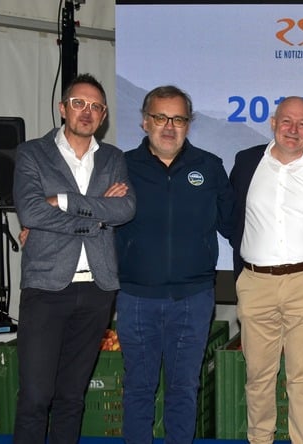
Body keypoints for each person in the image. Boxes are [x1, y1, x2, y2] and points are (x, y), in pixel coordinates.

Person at [12, 73, 136, 444]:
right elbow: (31, 212)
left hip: (98, 288)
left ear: (104, 115)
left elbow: (125, 209)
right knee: (36, 396)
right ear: (63, 108)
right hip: (46, 286)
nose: (87, 112)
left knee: (72, 396)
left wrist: (63, 201)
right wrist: (96, 218)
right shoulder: (32, 153)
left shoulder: (113, 158)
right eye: (79, 103)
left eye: (96, 106)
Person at [115, 85, 234, 443]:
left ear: (188, 124)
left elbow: (235, 225)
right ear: (144, 122)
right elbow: (95, 218)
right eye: (160, 118)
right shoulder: (120, 167)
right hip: (136, 297)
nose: (169, 126)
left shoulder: (209, 167)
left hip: (193, 298)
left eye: (178, 119)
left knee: (184, 388)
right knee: (138, 388)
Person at [229, 96, 303, 444]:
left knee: (302, 379)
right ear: (273, 122)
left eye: (302, 124)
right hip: (255, 283)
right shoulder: (246, 162)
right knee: (258, 376)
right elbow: (231, 218)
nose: (294, 129)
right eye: (287, 121)